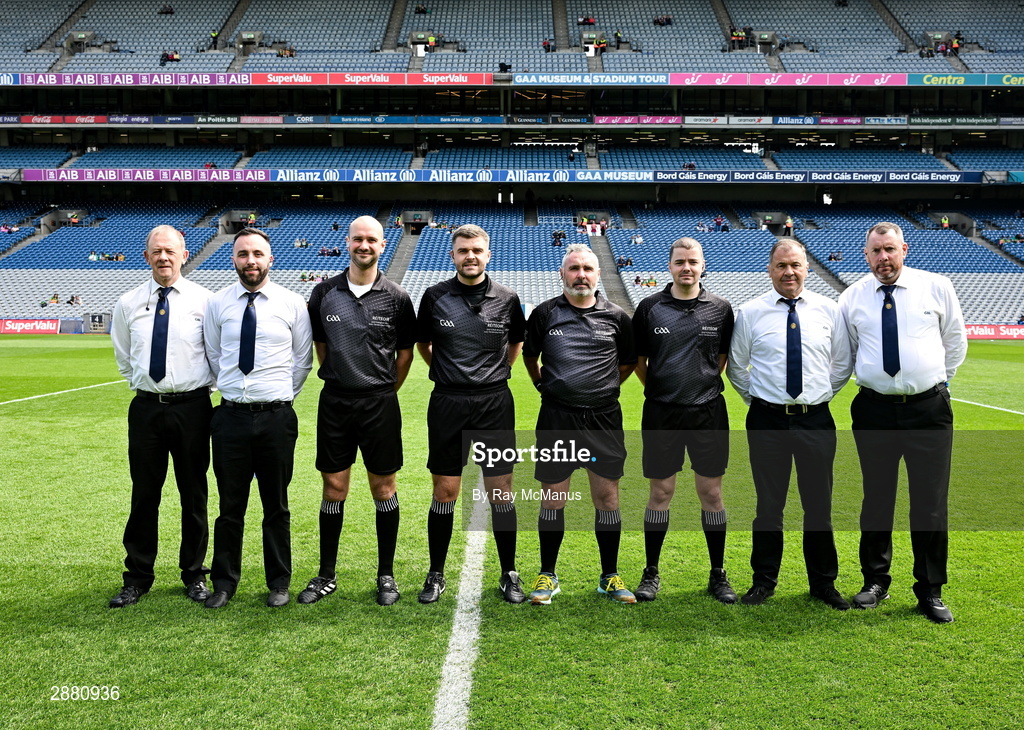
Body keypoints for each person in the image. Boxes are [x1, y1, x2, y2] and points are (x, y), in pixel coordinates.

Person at [838, 222, 967, 623]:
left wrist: (933, 382)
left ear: (904, 249)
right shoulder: (852, 297)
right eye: (876, 252)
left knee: (929, 502)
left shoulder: (936, 287)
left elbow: (956, 341)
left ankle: (929, 589)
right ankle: (875, 580)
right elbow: (846, 354)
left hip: (928, 410)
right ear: (866, 255)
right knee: (876, 498)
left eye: (889, 250)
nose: (883, 258)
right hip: (874, 409)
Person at [726, 238, 852, 610]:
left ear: (807, 268)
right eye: (781, 265)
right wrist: (762, 400)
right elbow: (736, 366)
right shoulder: (750, 313)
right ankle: (763, 581)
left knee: (819, 505)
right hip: (766, 421)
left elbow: (842, 363)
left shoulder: (830, 311)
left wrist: (815, 397)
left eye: (796, 265)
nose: (789, 272)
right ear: (770, 269)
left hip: (815, 419)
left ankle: (823, 583)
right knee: (768, 506)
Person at [298, 216, 415, 607]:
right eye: (358, 239)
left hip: (380, 403)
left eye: (372, 240)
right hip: (335, 402)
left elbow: (404, 356)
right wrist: (346, 379)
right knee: (334, 487)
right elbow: (321, 347)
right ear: (347, 243)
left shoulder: (397, 297)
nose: (364, 245)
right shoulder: (323, 293)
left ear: (383, 246)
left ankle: (386, 574)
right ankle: (326, 574)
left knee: (384, 488)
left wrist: (380, 389)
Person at [415, 224, 527, 604]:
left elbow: (514, 347)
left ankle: (509, 572)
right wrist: (450, 373)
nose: (471, 256)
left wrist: (491, 375)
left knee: (501, 491)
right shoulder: (434, 297)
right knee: (445, 491)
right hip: (448, 402)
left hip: (494, 403)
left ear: (488, 254)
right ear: (453, 255)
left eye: (477, 250)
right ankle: (435, 573)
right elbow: (424, 345)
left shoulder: (508, 299)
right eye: (463, 250)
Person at [203, 228, 313, 609]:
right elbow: (215, 358)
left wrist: (278, 397)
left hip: (276, 419)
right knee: (229, 507)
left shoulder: (293, 302)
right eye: (243, 254)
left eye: (257, 254)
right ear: (233, 259)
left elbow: (302, 361)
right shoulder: (218, 304)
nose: (251, 260)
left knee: (276, 505)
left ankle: (279, 582)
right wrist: (237, 392)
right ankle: (223, 583)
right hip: (230, 418)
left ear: (271, 259)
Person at [522, 243, 637, 605]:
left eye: (587, 268)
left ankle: (609, 575)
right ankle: (547, 575)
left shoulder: (618, 317)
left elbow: (628, 363)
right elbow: (529, 355)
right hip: (558, 418)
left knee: (607, 497)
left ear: (598, 274)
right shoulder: (544, 314)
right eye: (574, 268)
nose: (581, 275)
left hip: (603, 418)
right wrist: (544, 385)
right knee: (554, 497)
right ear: (562, 274)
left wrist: (602, 388)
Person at [108, 225, 214, 609]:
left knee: (194, 494)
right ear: (146, 256)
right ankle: (137, 576)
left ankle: (194, 574)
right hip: (147, 409)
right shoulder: (128, 303)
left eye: (170, 251)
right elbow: (124, 356)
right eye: (157, 251)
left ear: (184, 255)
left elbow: (215, 356)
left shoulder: (206, 302)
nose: (164, 257)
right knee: (144, 494)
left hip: (193, 407)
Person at [632, 238, 736, 603]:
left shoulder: (721, 309)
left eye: (693, 261)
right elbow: (640, 363)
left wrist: (699, 388)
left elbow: (720, 358)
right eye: (680, 262)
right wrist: (664, 392)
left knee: (711, 493)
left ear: (702, 265)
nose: (686, 267)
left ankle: (718, 573)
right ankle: (651, 572)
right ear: (670, 266)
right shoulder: (649, 308)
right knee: (661, 493)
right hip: (662, 413)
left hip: (708, 412)